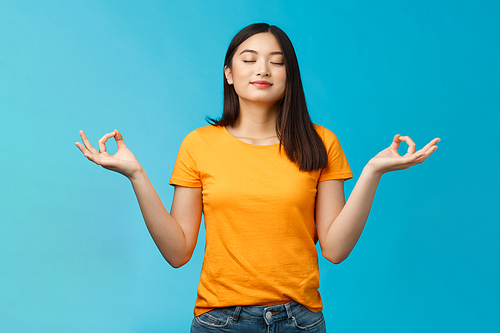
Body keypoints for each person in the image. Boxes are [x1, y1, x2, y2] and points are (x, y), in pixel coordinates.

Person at [76, 23, 439, 333]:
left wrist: (373, 172)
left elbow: (335, 249)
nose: (262, 69)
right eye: (249, 60)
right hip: (219, 321)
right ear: (229, 74)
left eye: (276, 62)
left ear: (288, 75)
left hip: (300, 322)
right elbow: (177, 251)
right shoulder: (199, 144)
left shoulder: (320, 143)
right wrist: (136, 175)